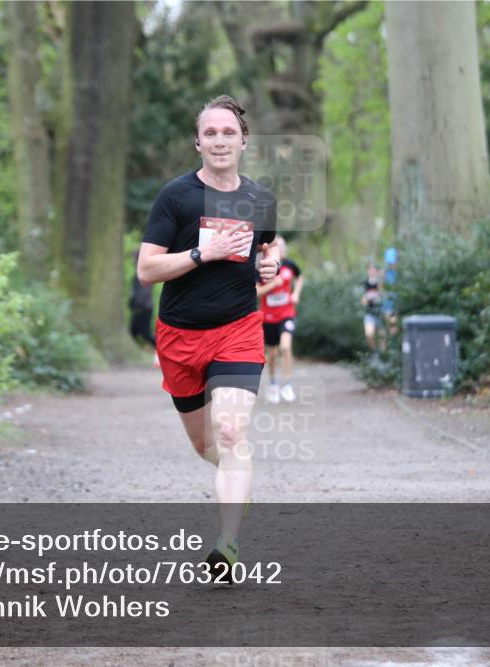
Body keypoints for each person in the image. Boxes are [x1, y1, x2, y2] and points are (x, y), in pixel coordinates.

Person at [136, 95, 279, 583]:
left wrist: (270, 263)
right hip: (179, 337)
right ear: (198, 142)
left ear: (243, 141)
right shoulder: (175, 197)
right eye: (210, 133)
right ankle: (238, 480)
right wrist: (202, 252)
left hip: (238, 330)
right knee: (206, 445)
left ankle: (227, 544)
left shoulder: (260, 199)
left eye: (228, 132)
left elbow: (267, 249)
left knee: (232, 432)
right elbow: (146, 269)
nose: (220, 140)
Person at [256, 235, 303, 404]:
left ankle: (287, 385)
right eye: (279, 246)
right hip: (268, 317)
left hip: (287, 314)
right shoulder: (262, 267)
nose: (282, 249)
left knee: (285, 346)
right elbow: (255, 292)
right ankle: (273, 384)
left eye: (284, 246)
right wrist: (272, 285)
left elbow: (300, 277)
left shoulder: (290, 265)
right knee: (273, 354)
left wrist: (296, 293)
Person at [128, 249, 157, 349]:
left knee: (145, 333)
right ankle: (132, 350)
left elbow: (144, 292)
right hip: (140, 307)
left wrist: (136, 303)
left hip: (144, 308)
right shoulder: (140, 273)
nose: (133, 261)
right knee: (133, 331)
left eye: (135, 259)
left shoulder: (144, 273)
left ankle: (159, 348)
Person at [361, 264, 382, 353]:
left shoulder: (381, 283)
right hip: (370, 312)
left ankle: (384, 356)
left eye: (374, 270)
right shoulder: (365, 284)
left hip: (381, 313)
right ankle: (375, 352)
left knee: (382, 337)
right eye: (370, 270)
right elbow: (363, 300)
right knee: (369, 334)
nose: (372, 272)